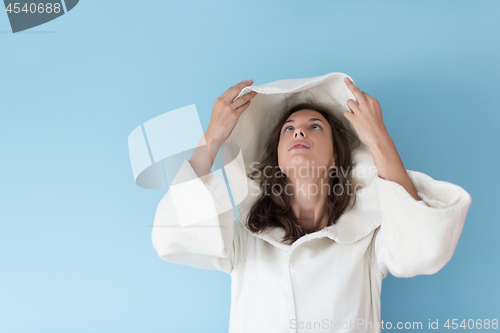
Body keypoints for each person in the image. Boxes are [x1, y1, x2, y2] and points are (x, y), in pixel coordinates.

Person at [151, 73, 472, 333]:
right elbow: (172, 235)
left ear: (335, 158)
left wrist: (378, 139)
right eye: (288, 129)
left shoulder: (368, 240)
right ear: (276, 158)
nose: (298, 131)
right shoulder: (245, 237)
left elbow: (425, 247)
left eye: (314, 126)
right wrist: (212, 137)